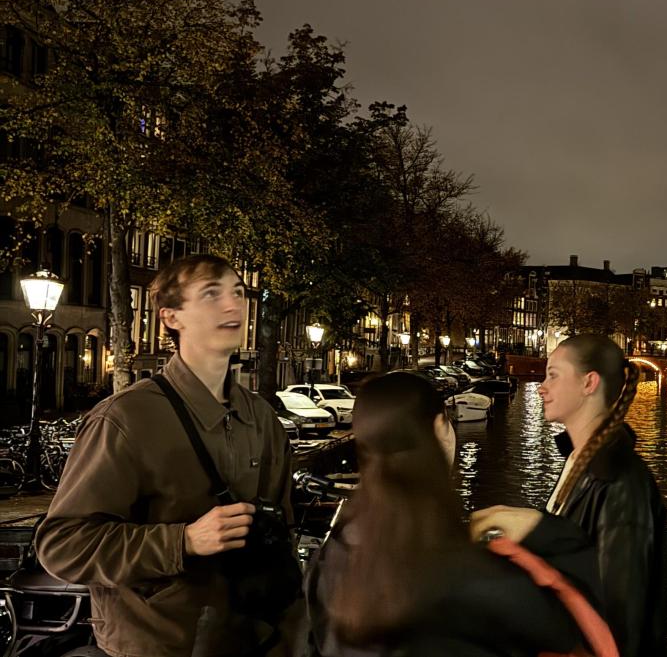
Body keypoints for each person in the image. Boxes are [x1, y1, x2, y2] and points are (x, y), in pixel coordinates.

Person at [35, 254, 296, 657]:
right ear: (171, 317)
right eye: (212, 294)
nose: (233, 305)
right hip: (157, 643)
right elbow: (63, 544)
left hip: (246, 639)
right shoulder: (125, 418)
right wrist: (183, 541)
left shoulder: (262, 418)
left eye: (239, 293)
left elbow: (283, 531)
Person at [305, 371, 603, 656]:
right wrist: (541, 528)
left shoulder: (328, 565)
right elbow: (582, 627)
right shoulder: (480, 580)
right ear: (440, 430)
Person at [470, 334, 667, 657]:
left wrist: (534, 528)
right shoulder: (580, 462)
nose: (541, 386)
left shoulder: (621, 482)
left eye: (553, 375)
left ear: (589, 383)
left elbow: (622, 623)